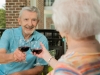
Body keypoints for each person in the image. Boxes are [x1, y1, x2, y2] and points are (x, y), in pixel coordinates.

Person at [34, 0, 100, 75]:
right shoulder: (78, 62)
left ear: (63, 26)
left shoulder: (68, 67)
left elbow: (69, 68)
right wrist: (46, 56)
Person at [0, 6, 49, 75]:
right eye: (26, 19)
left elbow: (39, 68)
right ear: (19, 21)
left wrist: (19, 74)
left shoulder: (42, 39)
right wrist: (13, 56)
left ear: (37, 22)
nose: (30, 24)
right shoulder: (8, 33)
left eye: (34, 20)